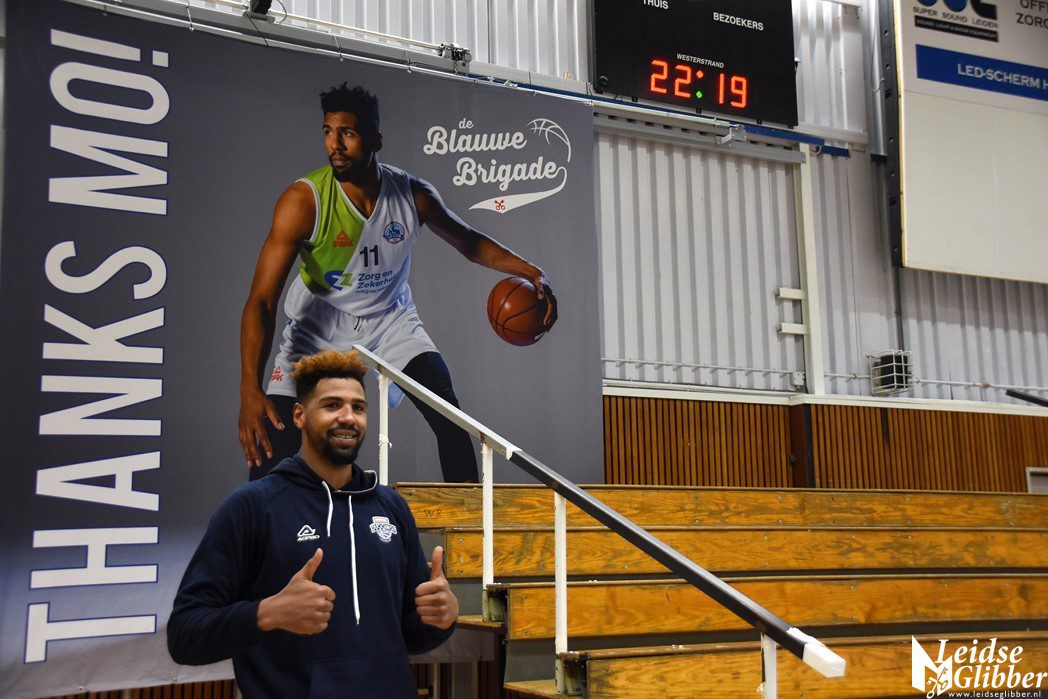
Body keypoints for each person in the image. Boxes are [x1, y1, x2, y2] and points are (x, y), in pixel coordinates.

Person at [239, 82, 557, 483]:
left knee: (450, 418)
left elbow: (469, 242)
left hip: (390, 320)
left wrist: (530, 270)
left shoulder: (412, 196)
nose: (335, 144)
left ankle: (472, 523)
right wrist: (249, 388)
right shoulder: (304, 202)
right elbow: (262, 302)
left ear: (376, 140)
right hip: (319, 325)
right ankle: (258, 525)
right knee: (270, 445)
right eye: (328, 132)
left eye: (347, 133)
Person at [169, 350, 459, 697]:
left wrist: (441, 619)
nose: (348, 417)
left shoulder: (391, 507)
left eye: (358, 407)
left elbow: (409, 636)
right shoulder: (252, 507)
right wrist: (266, 613)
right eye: (332, 405)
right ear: (299, 415)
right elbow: (184, 635)